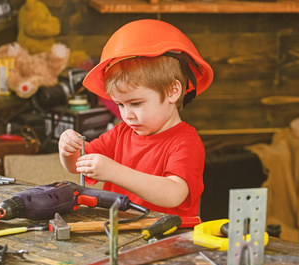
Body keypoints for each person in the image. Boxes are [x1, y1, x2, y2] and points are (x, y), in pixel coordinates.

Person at [58, 19, 213, 217]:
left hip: (165, 241)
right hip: (119, 233)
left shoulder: (185, 142)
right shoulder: (121, 132)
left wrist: (114, 172)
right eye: (120, 105)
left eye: (136, 103)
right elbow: (77, 165)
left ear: (173, 91)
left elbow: (173, 194)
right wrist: (67, 149)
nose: (127, 115)